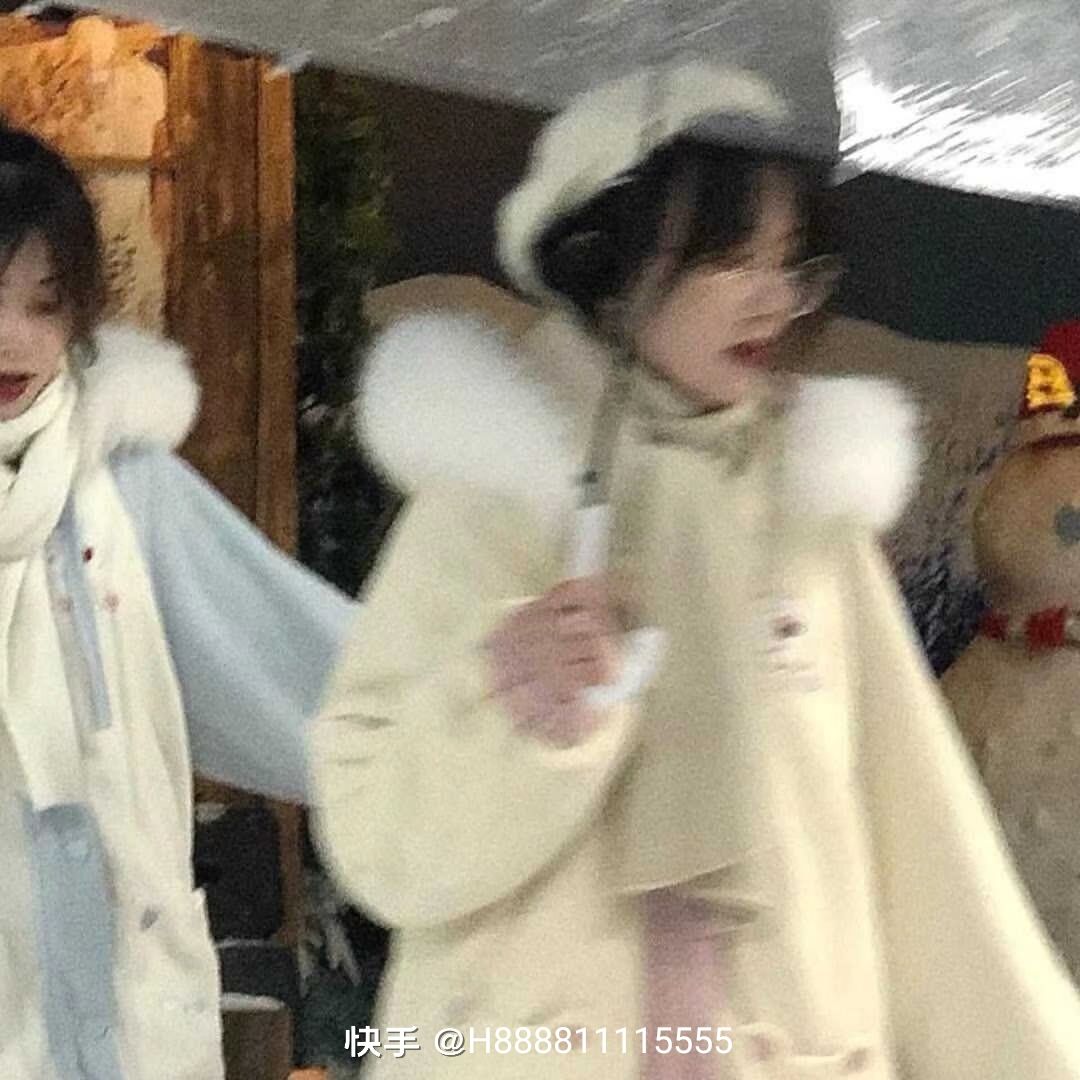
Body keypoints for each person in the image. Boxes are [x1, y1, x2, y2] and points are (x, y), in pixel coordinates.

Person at [311, 63, 1080, 1079]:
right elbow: (378, 839)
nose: (773, 300)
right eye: (729, 258)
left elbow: (921, 845)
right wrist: (519, 708)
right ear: (609, 258)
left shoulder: (810, 518)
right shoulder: (496, 499)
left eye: (793, 264)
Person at [0, 124, 353, 1079]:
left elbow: (305, 670)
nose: (14, 338)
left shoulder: (123, 491)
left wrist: (493, 705)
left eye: (45, 303)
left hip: (126, 1017)